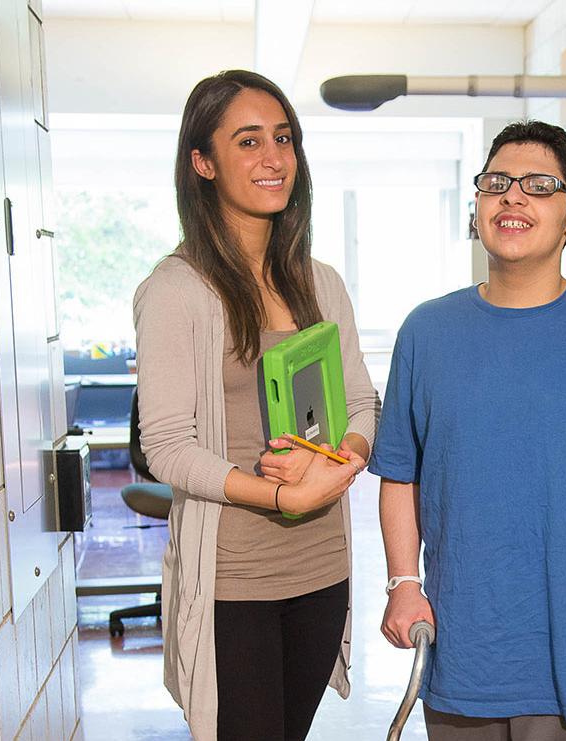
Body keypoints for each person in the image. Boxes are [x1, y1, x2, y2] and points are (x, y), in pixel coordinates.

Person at [370, 120, 566, 740]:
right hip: (464, 643)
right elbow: (400, 475)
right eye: (497, 183)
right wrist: (403, 583)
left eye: (539, 186)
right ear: (477, 206)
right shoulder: (427, 333)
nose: (512, 197)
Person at [133, 70, 379, 741]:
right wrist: (278, 498)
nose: (274, 157)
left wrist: (343, 459)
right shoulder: (177, 290)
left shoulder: (319, 282)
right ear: (203, 163)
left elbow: (362, 401)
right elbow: (167, 445)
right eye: (248, 141)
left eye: (284, 138)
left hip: (322, 572)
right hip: (232, 581)